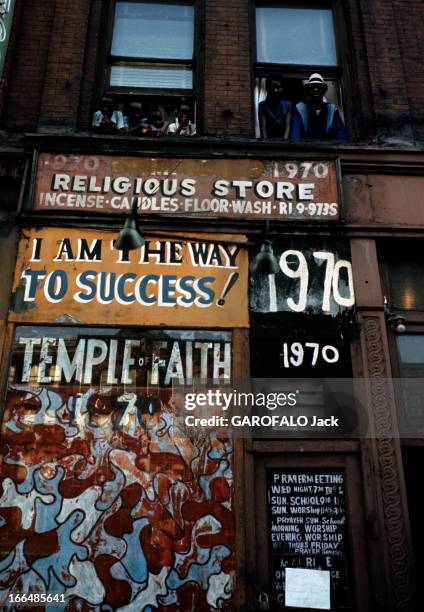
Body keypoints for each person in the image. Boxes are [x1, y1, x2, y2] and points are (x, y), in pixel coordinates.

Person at [290, 73, 348, 140]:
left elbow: (341, 134)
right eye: (312, 87)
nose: (315, 90)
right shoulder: (300, 109)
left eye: (318, 87)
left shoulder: (331, 110)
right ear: (308, 91)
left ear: (323, 91)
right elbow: (295, 137)